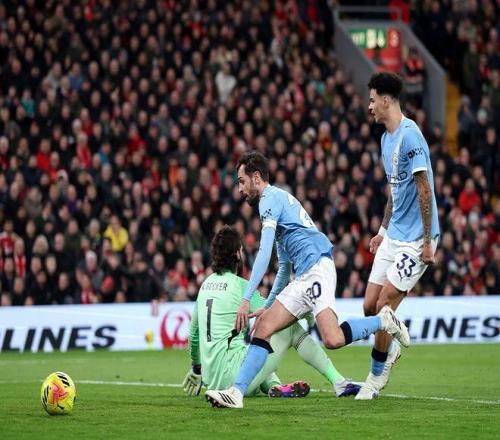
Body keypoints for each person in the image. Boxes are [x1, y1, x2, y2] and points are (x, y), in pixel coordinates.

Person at [205, 152, 410, 409]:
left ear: (256, 178)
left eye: (242, 181)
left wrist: (246, 299)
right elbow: (284, 268)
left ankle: (384, 320)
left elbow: (264, 252)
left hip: (317, 267)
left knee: (333, 339)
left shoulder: (269, 200)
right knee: (264, 326)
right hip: (303, 274)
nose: (240, 189)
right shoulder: (276, 203)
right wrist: (267, 305)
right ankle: (236, 393)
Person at [183, 225, 361, 401]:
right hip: (235, 379)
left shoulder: (205, 286)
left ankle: (274, 387)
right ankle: (338, 381)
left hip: (211, 381)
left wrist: (197, 369)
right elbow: (276, 313)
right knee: (288, 329)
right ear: (237, 254)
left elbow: (194, 335)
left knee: (257, 347)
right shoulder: (241, 287)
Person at [355, 72, 440, 400]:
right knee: (369, 307)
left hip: (417, 238)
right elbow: (395, 191)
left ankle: (376, 376)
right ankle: (390, 347)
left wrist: (428, 241)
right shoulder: (384, 139)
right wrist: (382, 230)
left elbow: (424, 189)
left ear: (386, 100)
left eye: (373, 100)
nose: (370, 106)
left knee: (384, 302)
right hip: (394, 234)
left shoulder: (411, 137)